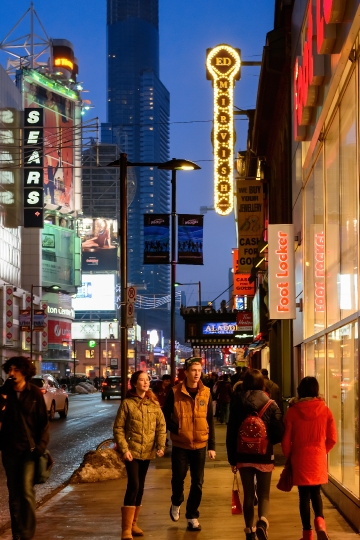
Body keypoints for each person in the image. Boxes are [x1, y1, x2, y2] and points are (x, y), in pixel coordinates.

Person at [226, 369, 284, 540]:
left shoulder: (237, 403)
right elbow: (279, 432)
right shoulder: (271, 404)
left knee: (249, 494)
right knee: (264, 494)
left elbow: (231, 433)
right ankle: (262, 523)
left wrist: (232, 458)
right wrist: (268, 440)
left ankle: (249, 531)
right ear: (262, 383)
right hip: (264, 454)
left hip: (242, 455)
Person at [163, 357, 216, 532]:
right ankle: (176, 501)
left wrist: (212, 446)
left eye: (199, 370)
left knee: (198, 482)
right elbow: (165, 414)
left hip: (200, 444)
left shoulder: (206, 392)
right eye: (193, 370)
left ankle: (192, 516)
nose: (196, 374)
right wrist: (177, 429)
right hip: (180, 444)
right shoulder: (175, 391)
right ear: (186, 372)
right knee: (178, 478)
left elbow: (210, 419)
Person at [0, 356, 49, 540]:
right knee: (13, 494)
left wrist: (41, 447)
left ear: (25, 372)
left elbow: (43, 423)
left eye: (16, 370)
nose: (12, 374)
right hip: (10, 450)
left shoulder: (34, 393)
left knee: (26, 491)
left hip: (29, 451)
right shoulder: (5, 393)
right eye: (10, 370)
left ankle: (27, 534)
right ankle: (17, 533)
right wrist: (3, 397)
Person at [282, 376, 337, 540]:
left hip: (300, 458)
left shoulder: (292, 411)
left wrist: (290, 456)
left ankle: (307, 534)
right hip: (318, 458)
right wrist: (321, 451)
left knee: (303, 497)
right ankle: (320, 521)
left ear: (300, 390)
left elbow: (286, 440)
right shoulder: (325, 410)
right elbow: (333, 438)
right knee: (316, 494)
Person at [113, 370, 166, 540]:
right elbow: (119, 428)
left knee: (141, 486)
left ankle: (134, 523)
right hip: (132, 452)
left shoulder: (154, 404)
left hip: (148, 451)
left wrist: (160, 446)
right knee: (134, 484)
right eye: (141, 380)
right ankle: (126, 529)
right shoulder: (127, 404)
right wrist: (124, 449)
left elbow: (161, 427)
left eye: (147, 380)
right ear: (134, 383)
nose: (145, 383)